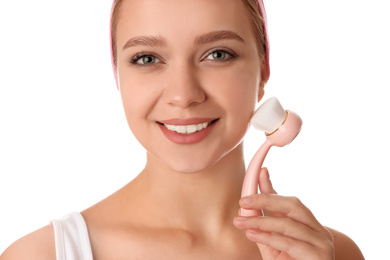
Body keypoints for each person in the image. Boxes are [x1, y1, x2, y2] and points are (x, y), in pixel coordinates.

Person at [1, 0, 365, 259]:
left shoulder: (332, 253)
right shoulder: (42, 255)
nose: (183, 95)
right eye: (146, 59)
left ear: (263, 67)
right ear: (118, 74)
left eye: (217, 54)